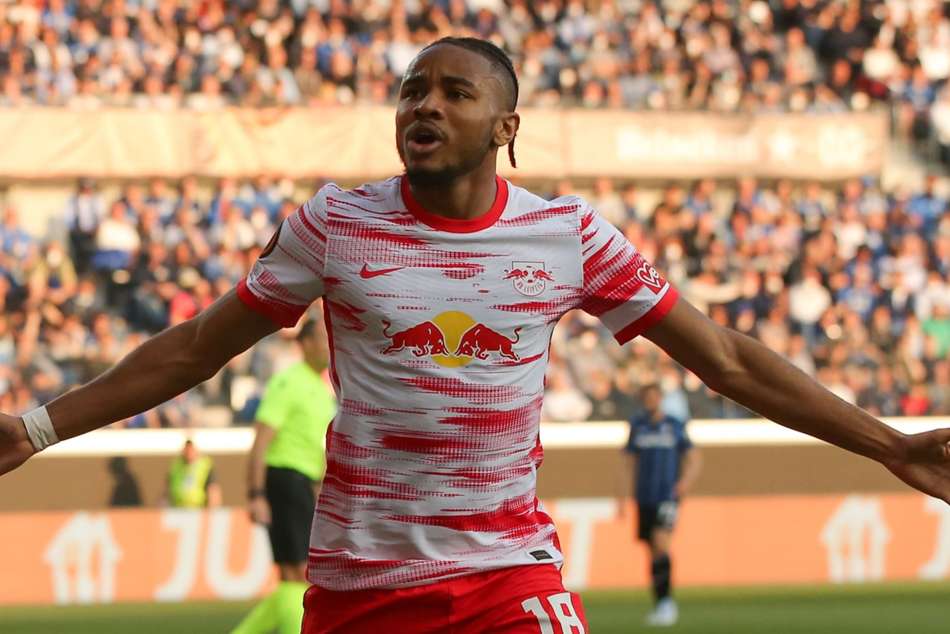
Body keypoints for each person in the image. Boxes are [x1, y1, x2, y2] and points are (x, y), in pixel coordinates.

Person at [2, 37, 950, 634]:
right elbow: (192, 350)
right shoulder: (336, 226)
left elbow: (729, 361)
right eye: (412, 90)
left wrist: (890, 443)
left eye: (454, 92)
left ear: (506, 125)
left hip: (508, 579)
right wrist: (37, 429)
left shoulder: (568, 236)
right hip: (359, 587)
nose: (424, 105)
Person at [233, 319, 336, 634]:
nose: (329, 346)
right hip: (284, 479)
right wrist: (256, 494)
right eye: (323, 338)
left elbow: (314, 448)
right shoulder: (288, 382)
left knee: (297, 575)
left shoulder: (322, 390)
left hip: (303, 484)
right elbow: (261, 440)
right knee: (297, 572)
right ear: (305, 344)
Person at [623, 384, 701, 627]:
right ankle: (660, 603)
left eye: (654, 397)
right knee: (652, 549)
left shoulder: (674, 425)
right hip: (644, 496)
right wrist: (623, 494)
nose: (651, 401)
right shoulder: (637, 425)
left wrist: (684, 483)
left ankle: (667, 603)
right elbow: (628, 461)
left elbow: (694, 457)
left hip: (666, 496)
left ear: (661, 399)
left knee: (660, 542)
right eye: (647, 398)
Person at [164, 439, 222, 508]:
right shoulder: (176, 466)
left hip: (198, 509)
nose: (189, 452)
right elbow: (167, 489)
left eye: (191, 449)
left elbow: (213, 490)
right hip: (178, 509)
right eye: (187, 449)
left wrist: (211, 509)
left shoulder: (205, 466)